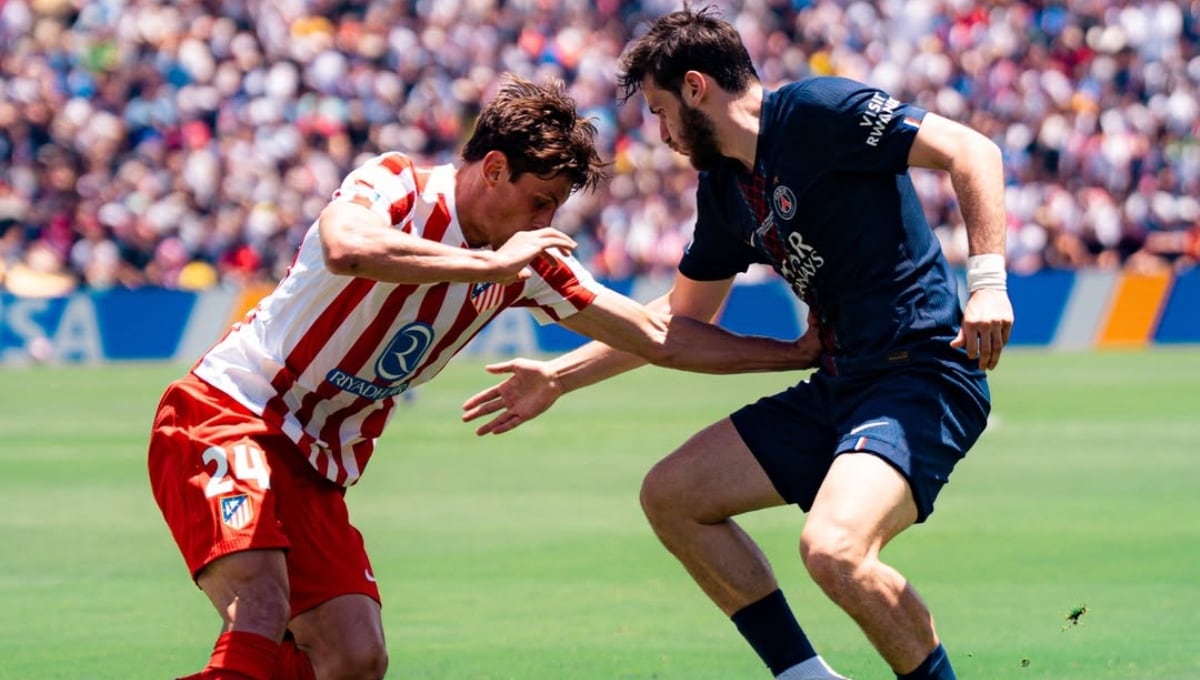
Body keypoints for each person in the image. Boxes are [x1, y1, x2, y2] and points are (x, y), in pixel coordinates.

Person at [147, 73, 821, 680]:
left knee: (354, 657)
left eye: (554, 209)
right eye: (538, 202)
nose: (544, 224)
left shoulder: (525, 259)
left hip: (315, 463)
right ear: (492, 169)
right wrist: (490, 270)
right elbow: (347, 249)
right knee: (260, 606)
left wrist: (792, 353)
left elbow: (655, 335)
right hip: (228, 412)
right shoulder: (393, 185)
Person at [461, 8, 1014, 680]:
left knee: (835, 550)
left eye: (662, 111)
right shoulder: (723, 191)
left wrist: (987, 283)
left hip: (922, 374)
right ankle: (805, 677)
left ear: (696, 88)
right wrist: (559, 377)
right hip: (841, 384)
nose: (661, 135)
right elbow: (674, 324)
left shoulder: (818, 109)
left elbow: (972, 151)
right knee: (673, 495)